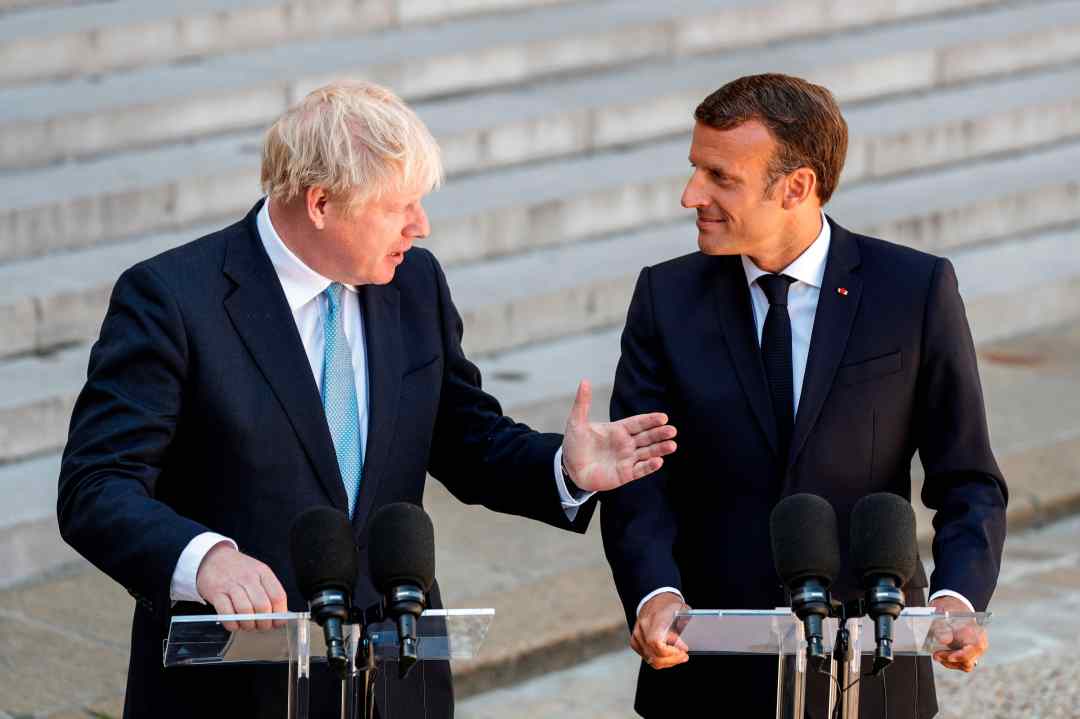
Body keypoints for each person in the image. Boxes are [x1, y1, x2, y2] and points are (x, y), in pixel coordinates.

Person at [56, 81, 677, 719]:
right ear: (321, 203)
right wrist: (206, 560)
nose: (421, 225)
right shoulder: (172, 299)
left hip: (397, 675)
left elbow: (465, 439)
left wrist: (562, 468)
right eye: (399, 206)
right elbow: (96, 487)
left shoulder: (415, 282)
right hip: (235, 685)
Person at [600, 73, 1006, 718]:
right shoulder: (664, 296)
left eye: (719, 177)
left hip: (873, 660)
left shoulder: (914, 290)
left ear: (796, 186)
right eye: (695, 169)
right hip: (706, 668)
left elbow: (968, 479)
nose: (690, 195)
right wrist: (654, 593)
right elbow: (637, 480)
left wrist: (957, 599)